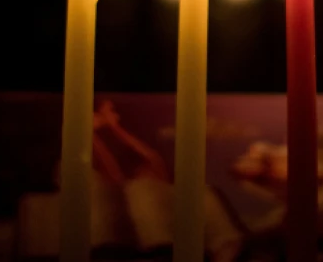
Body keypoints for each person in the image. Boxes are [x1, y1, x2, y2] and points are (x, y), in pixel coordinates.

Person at [93, 99, 244, 262]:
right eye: (139, 171)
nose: (143, 173)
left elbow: (151, 157)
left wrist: (114, 127)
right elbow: (111, 170)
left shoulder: (166, 190)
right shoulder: (128, 194)